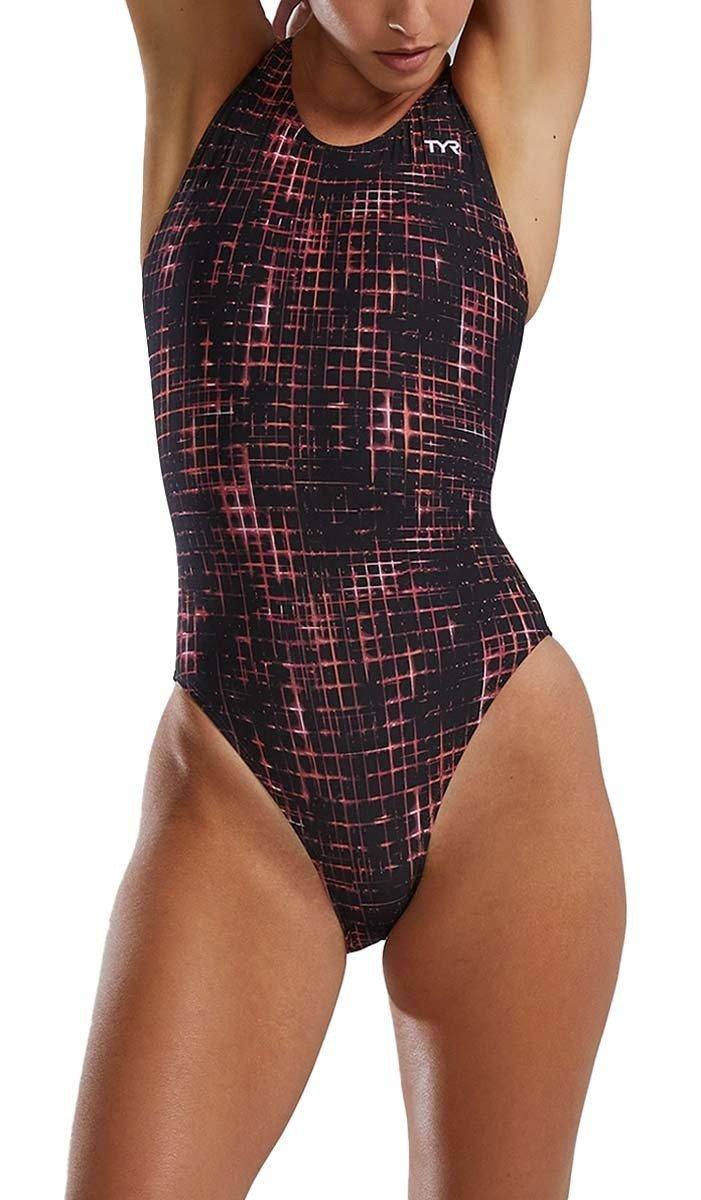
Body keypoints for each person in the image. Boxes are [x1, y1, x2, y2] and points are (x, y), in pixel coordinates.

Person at [65, 3, 626, 1197]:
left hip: (498, 772)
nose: (413, 17)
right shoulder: (207, 93)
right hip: (240, 791)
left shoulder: (502, 111)